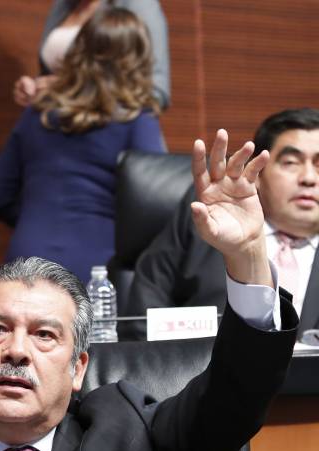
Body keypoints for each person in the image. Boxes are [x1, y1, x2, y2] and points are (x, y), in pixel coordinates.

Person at [0, 129, 298, 451]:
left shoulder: (133, 439)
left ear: (78, 368)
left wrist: (248, 256)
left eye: (45, 334)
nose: (16, 350)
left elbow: (234, 397)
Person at [0, 8, 165, 284]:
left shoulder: (37, 113)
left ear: (78, 51)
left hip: (27, 258)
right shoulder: (136, 120)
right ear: (138, 61)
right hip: (99, 264)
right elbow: (154, 208)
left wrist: (38, 219)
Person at [125, 108, 319, 340]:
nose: (309, 178)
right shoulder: (208, 219)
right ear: (257, 173)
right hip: (203, 361)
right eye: (291, 162)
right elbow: (145, 309)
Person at [14, 0, 170, 110]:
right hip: (56, 126)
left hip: (108, 133)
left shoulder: (138, 3)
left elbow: (156, 93)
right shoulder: (63, 4)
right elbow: (57, 73)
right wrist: (34, 88)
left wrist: (70, 89)